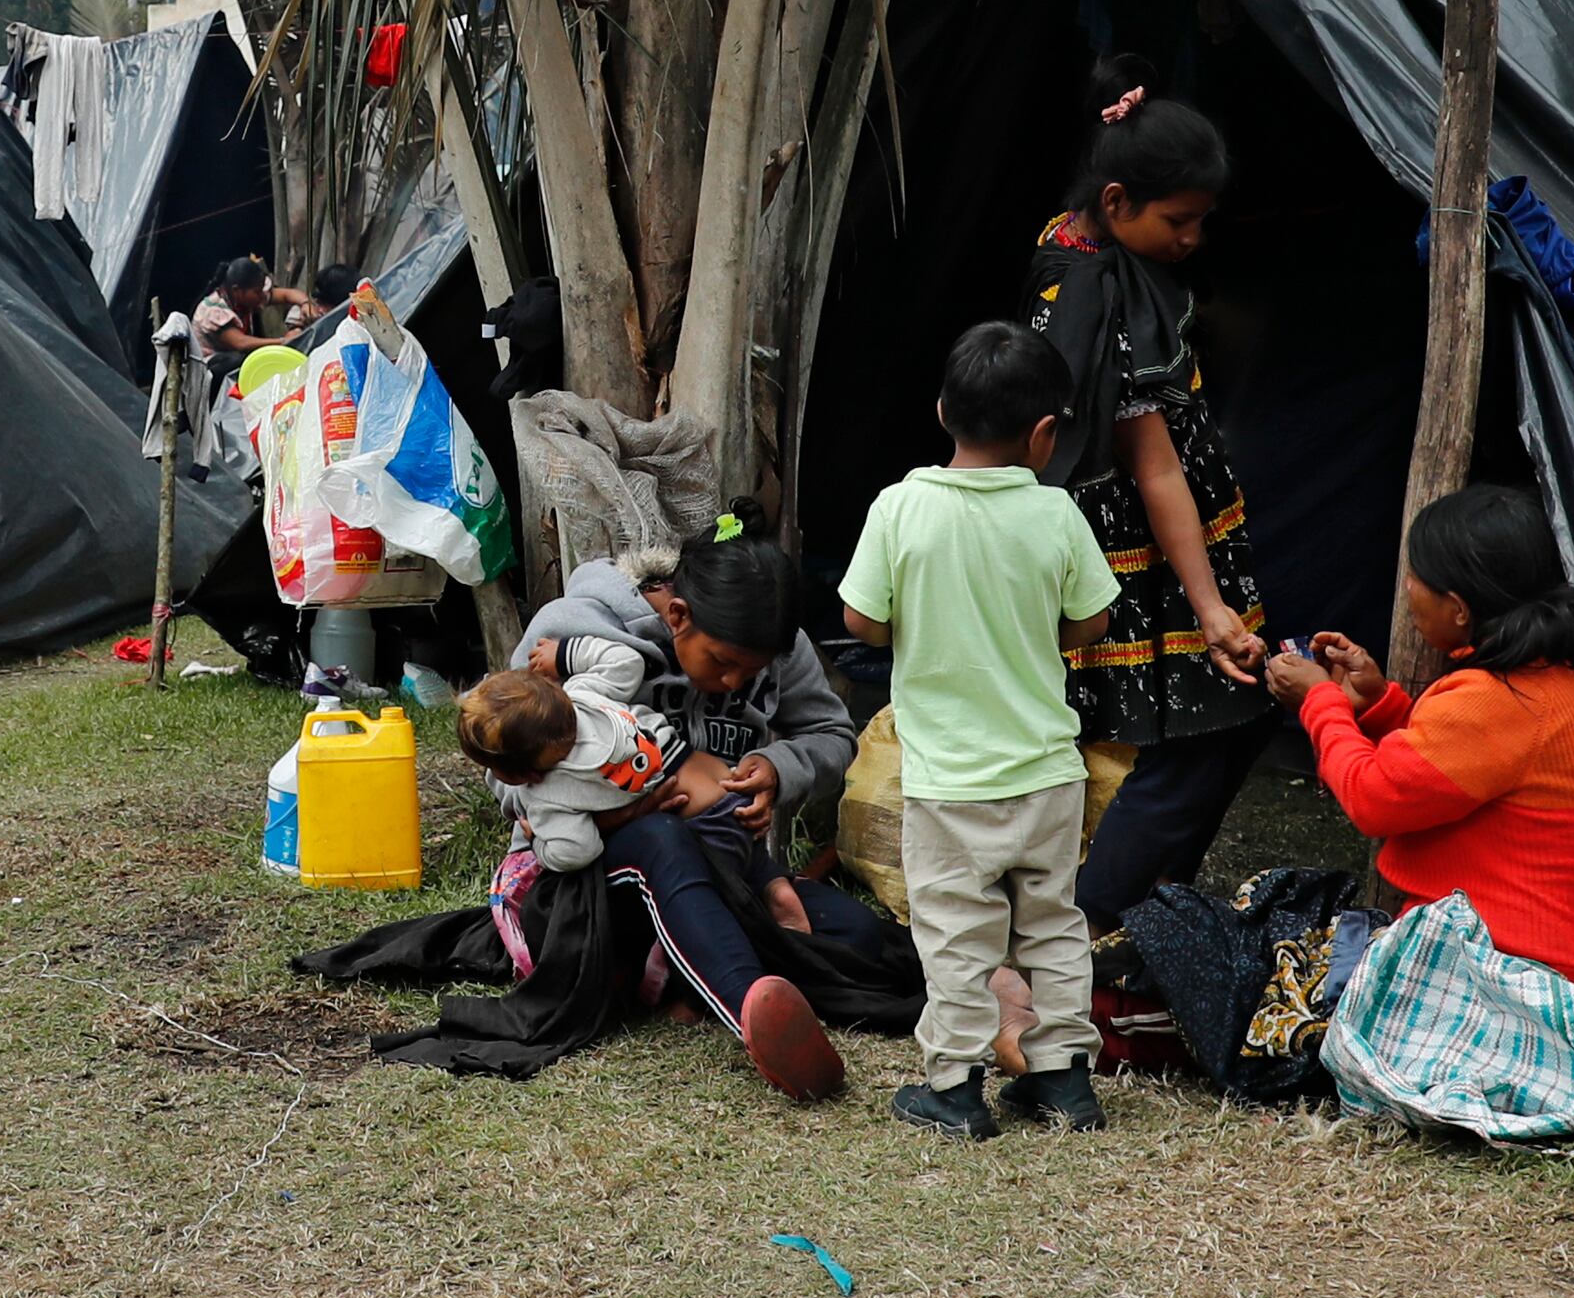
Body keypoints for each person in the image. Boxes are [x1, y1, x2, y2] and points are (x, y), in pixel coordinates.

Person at [843, 321, 1124, 1138]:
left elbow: (862, 618)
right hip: (1046, 772)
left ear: (941, 410)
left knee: (957, 939)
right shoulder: (1057, 513)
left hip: (949, 782)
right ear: (1045, 434)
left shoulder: (900, 507)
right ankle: (1065, 1082)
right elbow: (1092, 622)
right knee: (1053, 923)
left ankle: (955, 1090)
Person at [1025, 55, 1280, 923]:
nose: (1193, 239)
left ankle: (1123, 905)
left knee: (1204, 723)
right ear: (1119, 200)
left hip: (1150, 530)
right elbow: (1154, 463)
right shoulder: (1107, 303)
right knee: (1211, 716)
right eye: (1180, 219)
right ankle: (1098, 916)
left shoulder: (1067, 244)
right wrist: (1209, 607)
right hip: (1149, 546)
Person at [517, 532, 880, 1101]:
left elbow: (831, 734)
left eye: (750, 672)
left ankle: (993, 990)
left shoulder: (776, 644)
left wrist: (778, 767)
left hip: (728, 865)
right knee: (662, 836)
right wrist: (627, 810)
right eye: (724, 663)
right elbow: (505, 770)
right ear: (678, 616)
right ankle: (748, 1005)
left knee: (853, 935)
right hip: (595, 878)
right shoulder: (577, 630)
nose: (735, 682)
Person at [1269, 484, 1574, 991]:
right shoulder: (1553, 682)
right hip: (1548, 964)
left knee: (1255, 927)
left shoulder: (1496, 698)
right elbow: (1458, 768)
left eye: (1416, 575)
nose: (1408, 585)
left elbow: (1375, 798)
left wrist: (1320, 701)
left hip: (1506, 978)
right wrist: (1377, 705)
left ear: (1458, 608)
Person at [454, 662, 676, 870]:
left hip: (655, 819)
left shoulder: (544, 799)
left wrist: (537, 842)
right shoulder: (584, 695)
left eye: (490, 768)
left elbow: (578, 853)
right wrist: (563, 655)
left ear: (524, 776)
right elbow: (627, 663)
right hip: (674, 752)